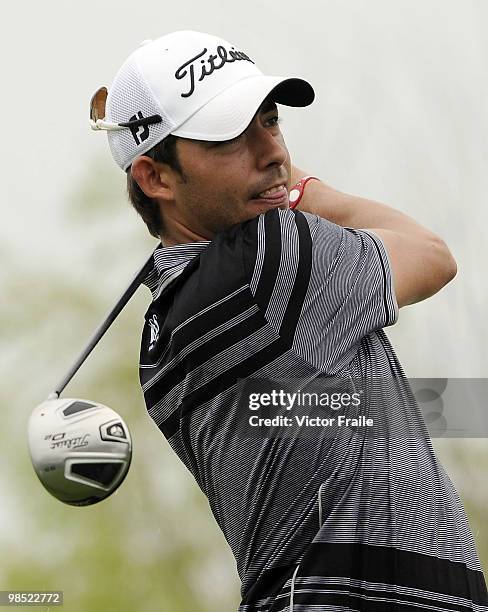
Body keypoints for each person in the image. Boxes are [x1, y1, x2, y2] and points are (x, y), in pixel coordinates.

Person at [90, 30, 488, 611]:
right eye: (231, 137)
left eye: (270, 119)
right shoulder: (271, 258)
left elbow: (344, 410)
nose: (273, 150)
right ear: (155, 178)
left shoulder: (164, 331)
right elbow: (431, 255)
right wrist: (297, 189)